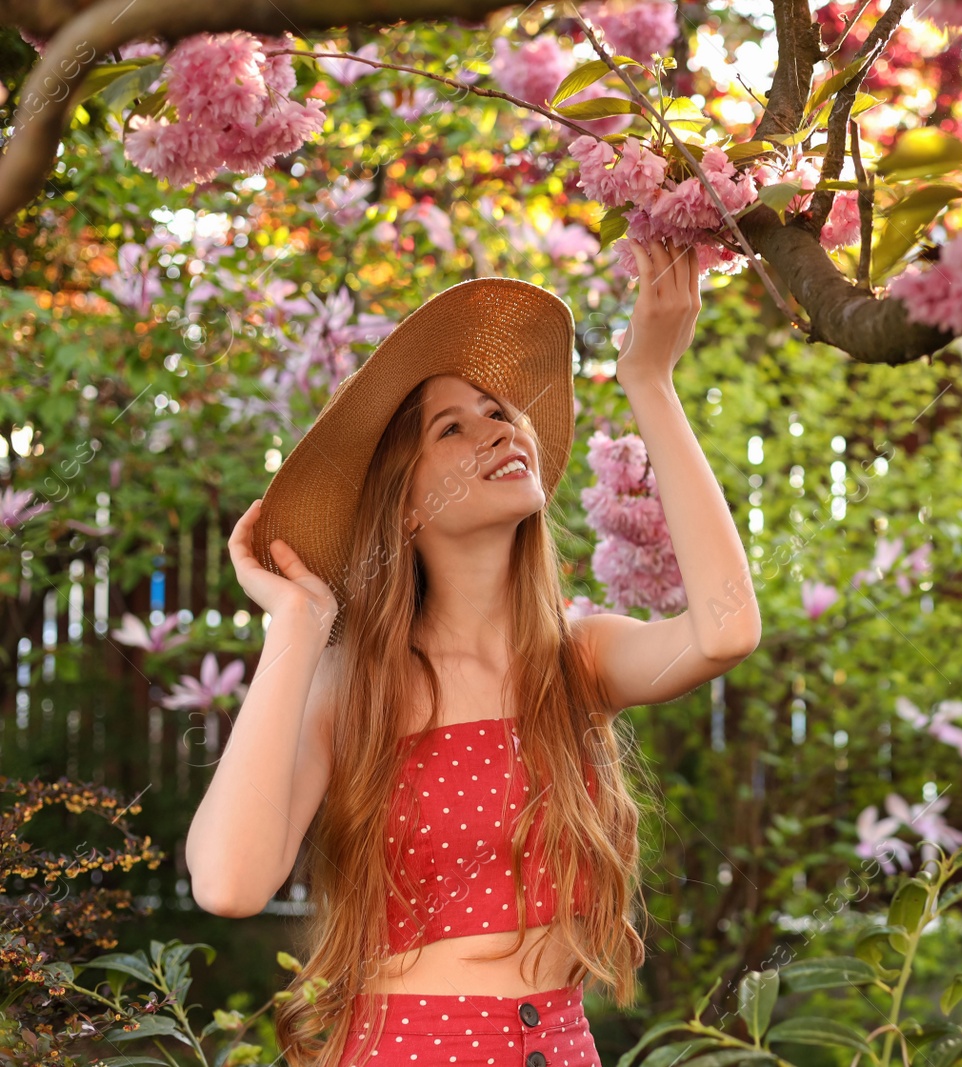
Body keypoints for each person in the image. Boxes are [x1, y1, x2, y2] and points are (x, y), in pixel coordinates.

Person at [185, 237, 761, 1066]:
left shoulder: (579, 661)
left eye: (498, 410)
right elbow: (229, 884)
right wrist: (298, 624)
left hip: (562, 1047)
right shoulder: (357, 688)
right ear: (407, 503)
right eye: (453, 426)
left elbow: (726, 629)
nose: (497, 427)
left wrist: (651, 381)